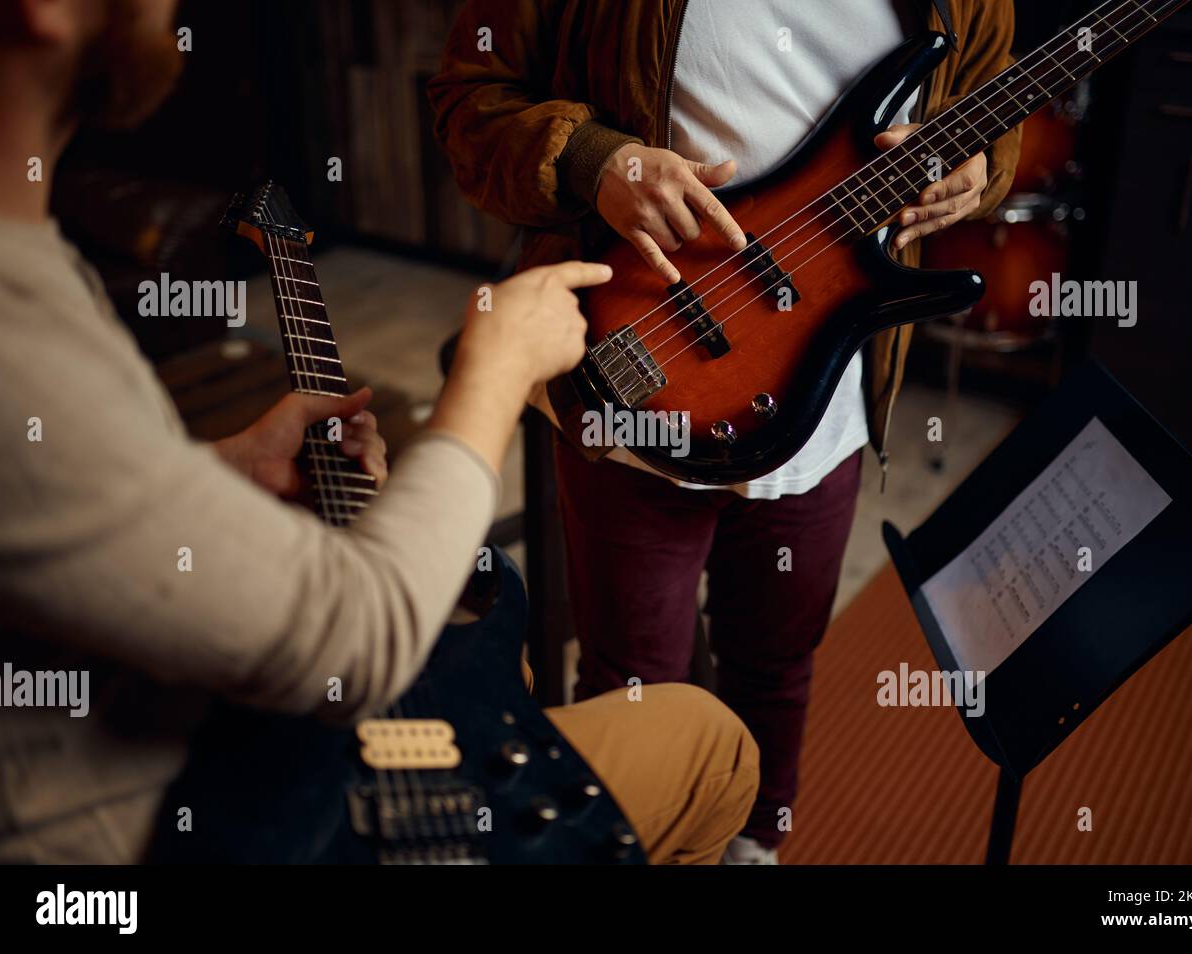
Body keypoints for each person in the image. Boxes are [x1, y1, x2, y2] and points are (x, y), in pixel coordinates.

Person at [0, 0, 757, 865]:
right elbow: (361, 636)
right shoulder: (6, 336)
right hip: (188, 822)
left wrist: (209, 472)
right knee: (714, 745)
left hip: (196, 748)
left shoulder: (24, 262)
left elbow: (41, 496)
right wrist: (493, 371)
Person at [429, 0, 1022, 862]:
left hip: (828, 383)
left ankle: (757, 843)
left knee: (779, 659)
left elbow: (987, 85)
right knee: (633, 683)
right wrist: (599, 161)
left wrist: (983, 161)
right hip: (642, 354)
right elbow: (468, 94)